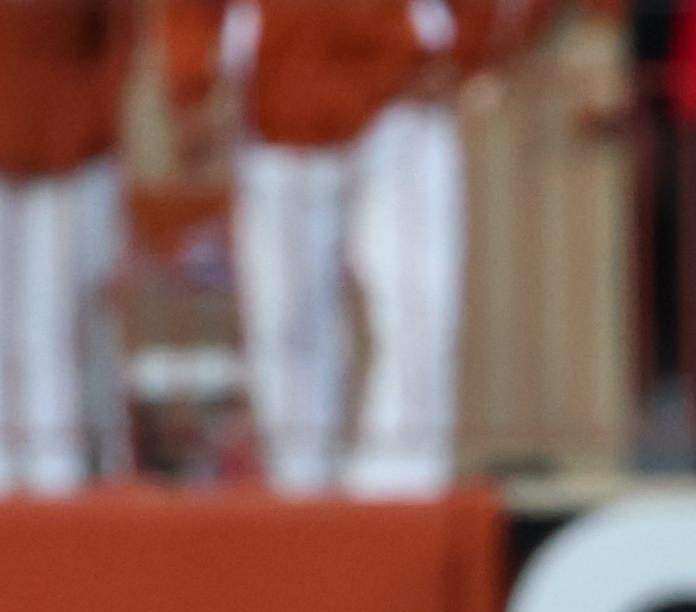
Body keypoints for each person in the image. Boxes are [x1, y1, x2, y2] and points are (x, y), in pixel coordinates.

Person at [169, 0, 489, 496]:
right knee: (283, 319)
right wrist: (191, 85)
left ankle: (402, 488)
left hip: (402, 101)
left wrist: (470, 53)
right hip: (279, 106)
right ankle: (300, 485)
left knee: (419, 305)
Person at [0, 0, 125, 493]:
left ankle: (58, 451)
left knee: (53, 314)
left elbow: (115, 41)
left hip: (64, 155)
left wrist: (89, 124)